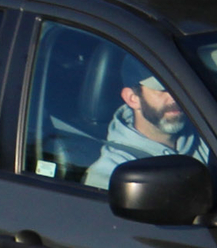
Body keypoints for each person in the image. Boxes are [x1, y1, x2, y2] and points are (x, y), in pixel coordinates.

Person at [90, 58, 210, 187]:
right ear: (133, 99)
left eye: (180, 87)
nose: (175, 97)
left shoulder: (211, 135)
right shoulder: (111, 173)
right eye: (162, 90)